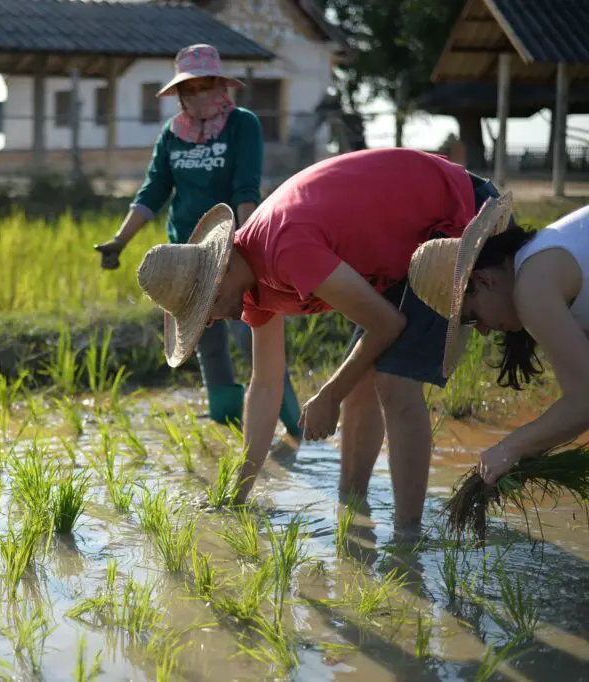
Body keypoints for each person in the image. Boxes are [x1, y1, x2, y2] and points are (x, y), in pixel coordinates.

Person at [135, 147, 513, 536]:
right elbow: (265, 385)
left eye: (207, 306)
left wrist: (328, 395)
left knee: (394, 381)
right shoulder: (250, 286)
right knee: (360, 377)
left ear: (221, 271)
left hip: (458, 214)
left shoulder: (284, 247)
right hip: (402, 248)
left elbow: (387, 325)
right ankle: (352, 510)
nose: (212, 319)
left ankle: (407, 539)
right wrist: (239, 492)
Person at [93, 43, 302, 439]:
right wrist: (119, 241)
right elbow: (153, 192)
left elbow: (245, 189)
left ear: (220, 86)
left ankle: (296, 425)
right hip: (187, 255)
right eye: (188, 89)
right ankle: (224, 422)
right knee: (205, 340)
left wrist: (243, 250)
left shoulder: (243, 125)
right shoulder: (172, 135)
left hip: (229, 248)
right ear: (179, 93)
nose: (196, 96)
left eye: (204, 86)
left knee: (251, 337)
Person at [408, 202, 589, 486]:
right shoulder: (546, 264)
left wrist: (509, 448)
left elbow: (585, 401)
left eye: (471, 317)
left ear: (482, 280)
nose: (481, 330)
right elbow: (579, 401)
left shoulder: (533, 288)